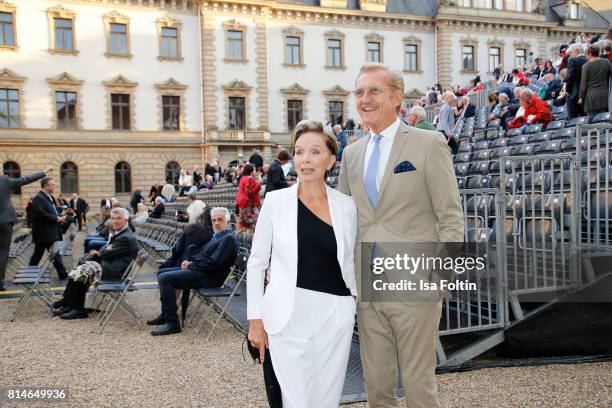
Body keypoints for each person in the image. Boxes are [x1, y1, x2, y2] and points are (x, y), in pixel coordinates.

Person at [338, 65, 464, 408]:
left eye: (374, 91)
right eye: (360, 92)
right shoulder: (351, 155)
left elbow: (451, 217)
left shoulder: (429, 143)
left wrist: (440, 277)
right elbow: (344, 222)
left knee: (417, 384)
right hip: (368, 285)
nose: (365, 99)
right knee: (375, 384)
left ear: (396, 97)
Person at [247, 120, 358, 408]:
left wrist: (354, 299)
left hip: (335, 315)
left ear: (331, 159)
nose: (305, 159)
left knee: (326, 400)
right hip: (288, 315)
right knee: (296, 400)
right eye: (299, 152)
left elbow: (351, 259)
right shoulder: (275, 201)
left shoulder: (346, 206)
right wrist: (255, 320)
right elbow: (257, 262)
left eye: (315, 152)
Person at [148, 207, 238, 336]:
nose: (216, 223)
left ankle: (172, 323)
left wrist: (191, 265)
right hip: (202, 271)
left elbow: (213, 263)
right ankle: (166, 314)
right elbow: (201, 255)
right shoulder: (218, 236)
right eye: (214, 220)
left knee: (165, 278)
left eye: (220, 220)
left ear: (228, 223)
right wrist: (189, 263)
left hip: (209, 277)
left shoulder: (228, 238)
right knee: (162, 272)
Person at [52, 208, 139, 319]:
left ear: (126, 220)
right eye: (113, 218)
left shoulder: (126, 236)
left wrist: (103, 251)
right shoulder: (122, 232)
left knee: (83, 271)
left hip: (114, 271)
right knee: (80, 267)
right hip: (111, 266)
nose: (115, 221)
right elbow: (106, 248)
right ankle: (71, 304)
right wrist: (105, 250)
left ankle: (77, 308)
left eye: (119, 218)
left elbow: (106, 253)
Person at [0, 166, 52, 291]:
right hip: (5, 220)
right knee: (2, 252)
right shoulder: (5, 180)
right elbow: (26, 179)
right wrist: (43, 172)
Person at [28, 177, 69, 280]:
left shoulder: (48, 196)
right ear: (46, 185)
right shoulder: (39, 198)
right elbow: (41, 214)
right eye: (53, 184)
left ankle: (30, 272)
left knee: (40, 254)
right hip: (44, 232)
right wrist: (56, 218)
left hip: (48, 231)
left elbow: (52, 210)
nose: (54, 186)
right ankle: (62, 274)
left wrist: (60, 215)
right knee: (53, 253)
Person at [579, 45, 612, 120]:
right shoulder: (606, 62)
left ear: (590, 54)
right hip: (605, 95)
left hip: (591, 97)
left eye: (586, 54)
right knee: (604, 120)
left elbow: (583, 84)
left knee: (592, 121)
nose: (585, 57)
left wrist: (581, 97)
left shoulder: (586, 66)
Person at [236, 164, 261, 233]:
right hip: (248, 204)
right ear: (251, 171)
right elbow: (251, 192)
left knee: (244, 224)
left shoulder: (243, 178)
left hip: (242, 203)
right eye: (254, 170)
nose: (255, 171)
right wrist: (258, 184)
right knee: (253, 224)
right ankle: (250, 241)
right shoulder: (250, 179)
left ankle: (244, 241)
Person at [566, 42, 588, 119]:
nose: (570, 55)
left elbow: (570, 77)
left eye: (571, 52)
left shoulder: (573, 60)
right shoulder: (588, 60)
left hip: (574, 94)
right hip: (586, 94)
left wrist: (567, 90)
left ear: (577, 51)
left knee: (573, 120)